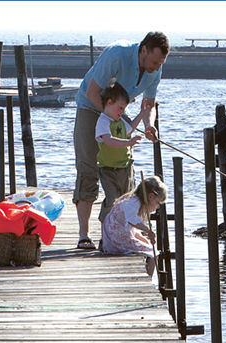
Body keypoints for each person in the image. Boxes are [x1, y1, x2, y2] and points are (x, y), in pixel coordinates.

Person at [73, 31, 169, 250]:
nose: (156, 66)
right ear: (143, 49)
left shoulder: (156, 69)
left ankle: (110, 234)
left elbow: (149, 104)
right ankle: (83, 235)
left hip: (118, 112)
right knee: (88, 168)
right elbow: (92, 92)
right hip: (91, 107)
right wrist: (114, 119)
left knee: (123, 170)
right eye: (154, 61)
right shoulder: (116, 54)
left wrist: (149, 125)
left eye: (160, 63)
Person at [95, 82, 144, 250]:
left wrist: (142, 113)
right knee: (112, 200)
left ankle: (123, 236)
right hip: (108, 169)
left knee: (125, 201)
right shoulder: (103, 121)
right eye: (120, 108)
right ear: (109, 103)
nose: (122, 112)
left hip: (125, 167)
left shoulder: (120, 121)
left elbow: (131, 128)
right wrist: (129, 143)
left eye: (124, 109)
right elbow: (109, 141)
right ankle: (105, 234)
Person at [100, 175, 166, 277]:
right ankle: (149, 279)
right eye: (157, 203)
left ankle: (146, 276)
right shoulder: (132, 203)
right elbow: (133, 221)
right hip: (117, 239)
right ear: (150, 196)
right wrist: (148, 231)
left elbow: (131, 228)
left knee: (147, 244)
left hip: (117, 235)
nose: (157, 207)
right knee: (153, 254)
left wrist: (145, 237)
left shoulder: (133, 201)